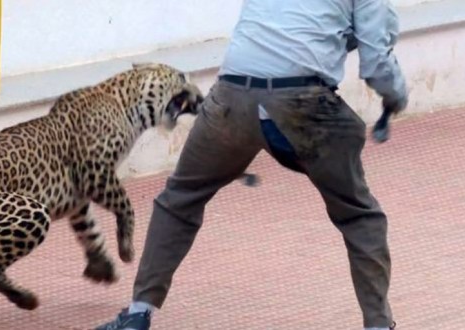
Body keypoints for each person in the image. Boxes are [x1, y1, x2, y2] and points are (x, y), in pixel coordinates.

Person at [96, 0, 408, 329]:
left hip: (232, 97)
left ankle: (137, 313)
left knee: (179, 199)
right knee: (360, 216)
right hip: (302, 105)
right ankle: (378, 324)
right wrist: (396, 95)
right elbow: (377, 63)